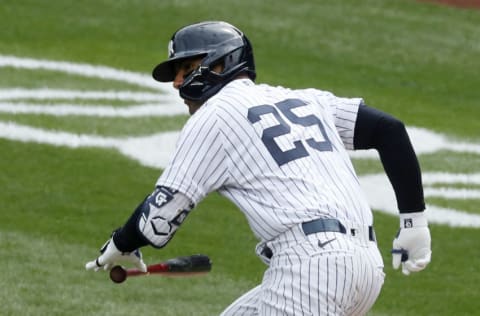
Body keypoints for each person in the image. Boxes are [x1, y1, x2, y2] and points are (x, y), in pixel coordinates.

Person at [86, 21, 431, 315]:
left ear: (219, 65)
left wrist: (120, 243)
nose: (177, 84)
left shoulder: (215, 115)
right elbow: (390, 130)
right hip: (365, 267)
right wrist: (413, 222)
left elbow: (159, 219)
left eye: (185, 70)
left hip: (311, 269)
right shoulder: (304, 99)